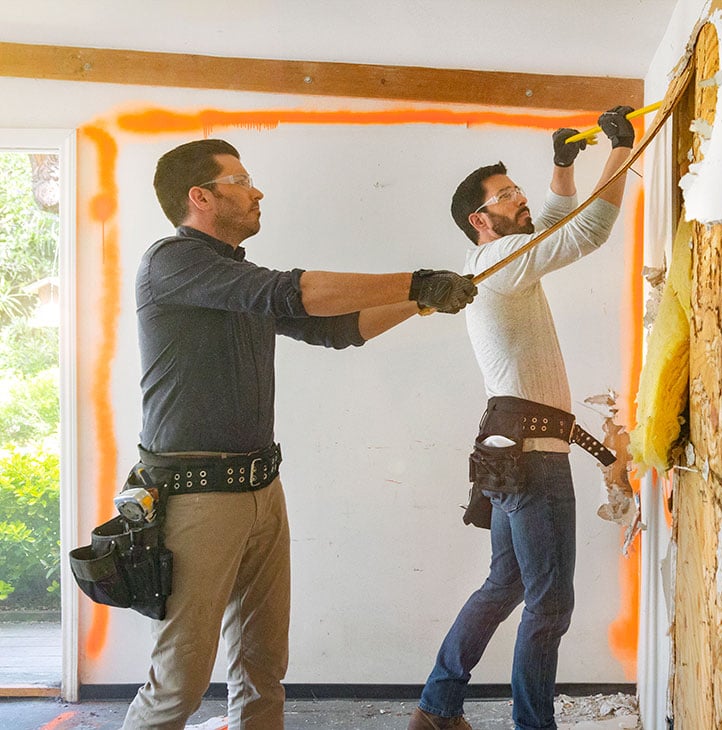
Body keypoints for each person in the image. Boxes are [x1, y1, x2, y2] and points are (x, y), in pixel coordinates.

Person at [122, 138, 477, 730]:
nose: (256, 190)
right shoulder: (173, 263)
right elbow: (294, 290)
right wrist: (414, 281)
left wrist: (422, 304)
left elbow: (336, 329)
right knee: (177, 684)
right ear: (200, 197)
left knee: (263, 669)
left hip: (261, 488)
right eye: (241, 181)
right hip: (196, 498)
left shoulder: (231, 276)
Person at [409, 106, 635, 730]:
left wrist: (563, 166)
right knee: (549, 603)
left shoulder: (501, 262)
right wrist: (621, 152)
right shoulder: (500, 260)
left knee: (505, 586)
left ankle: (437, 706)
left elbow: (556, 226)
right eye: (507, 195)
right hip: (531, 460)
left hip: (515, 452)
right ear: (481, 221)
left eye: (518, 188)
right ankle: (530, 725)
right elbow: (584, 234)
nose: (521, 197)